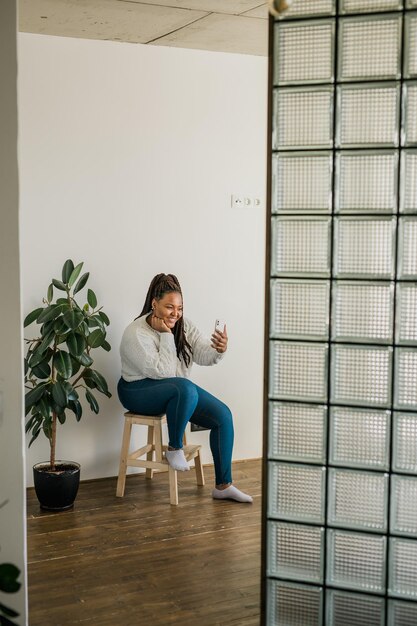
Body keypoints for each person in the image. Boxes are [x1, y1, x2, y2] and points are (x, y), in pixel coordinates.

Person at [117, 273, 253, 504]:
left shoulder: (184, 325)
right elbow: (164, 373)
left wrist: (219, 349)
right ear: (154, 304)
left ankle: (223, 485)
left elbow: (202, 354)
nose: (175, 313)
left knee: (223, 416)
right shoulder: (136, 333)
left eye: (179, 308)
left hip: (178, 392)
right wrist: (166, 336)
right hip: (136, 391)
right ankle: (174, 448)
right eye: (169, 307)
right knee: (185, 387)